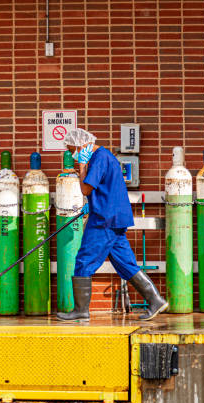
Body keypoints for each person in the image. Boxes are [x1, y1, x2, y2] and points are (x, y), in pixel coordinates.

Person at [57, 128, 168, 321]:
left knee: (84, 260)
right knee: (125, 263)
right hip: (112, 218)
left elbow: (85, 189)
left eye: (73, 150)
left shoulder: (99, 158)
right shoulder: (105, 157)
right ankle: (156, 300)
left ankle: (81, 310)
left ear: (82, 145)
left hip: (104, 220)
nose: (74, 155)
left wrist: (82, 166)